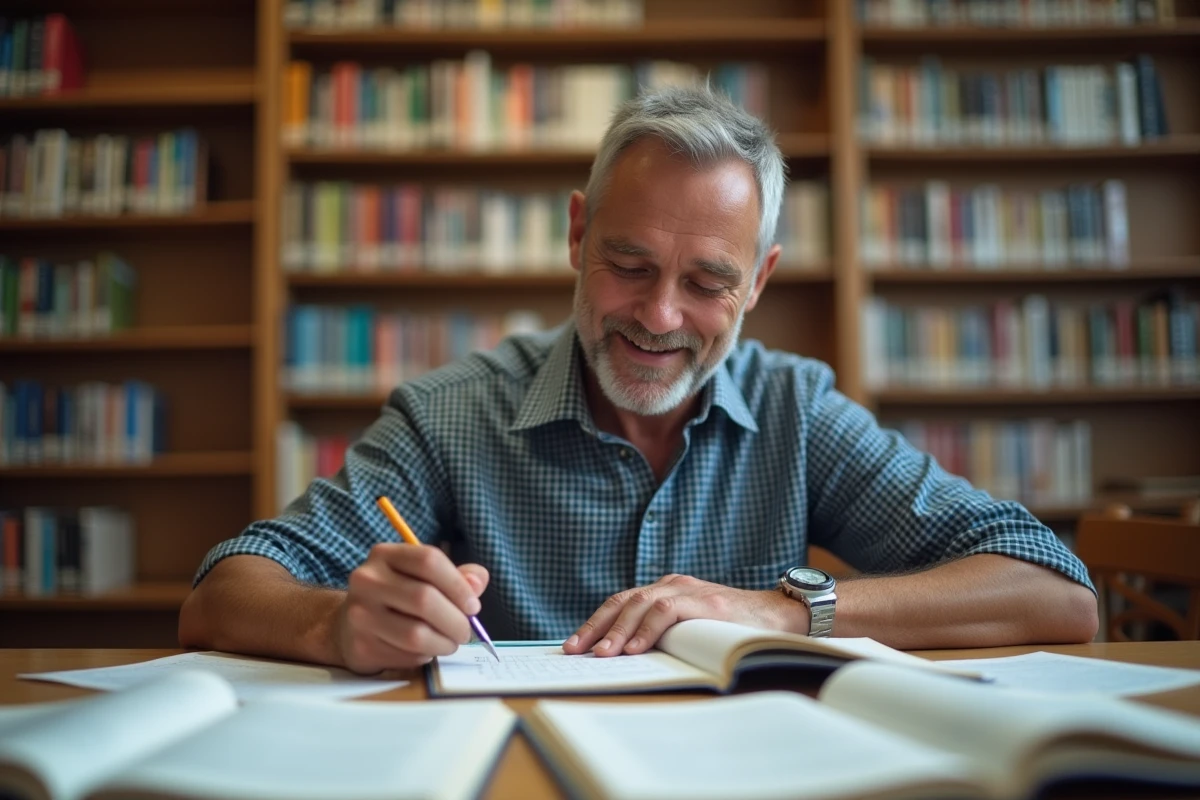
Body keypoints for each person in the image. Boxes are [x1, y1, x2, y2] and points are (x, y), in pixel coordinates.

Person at [179, 86, 1098, 675]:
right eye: (627, 264)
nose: (659, 317)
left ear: (760, 282)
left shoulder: (797, 411)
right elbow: (222, 592)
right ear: (577, 236)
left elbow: (1057, 591)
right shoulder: (450, 416)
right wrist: (336, 625)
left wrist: (780, 612)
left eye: (707, 284)